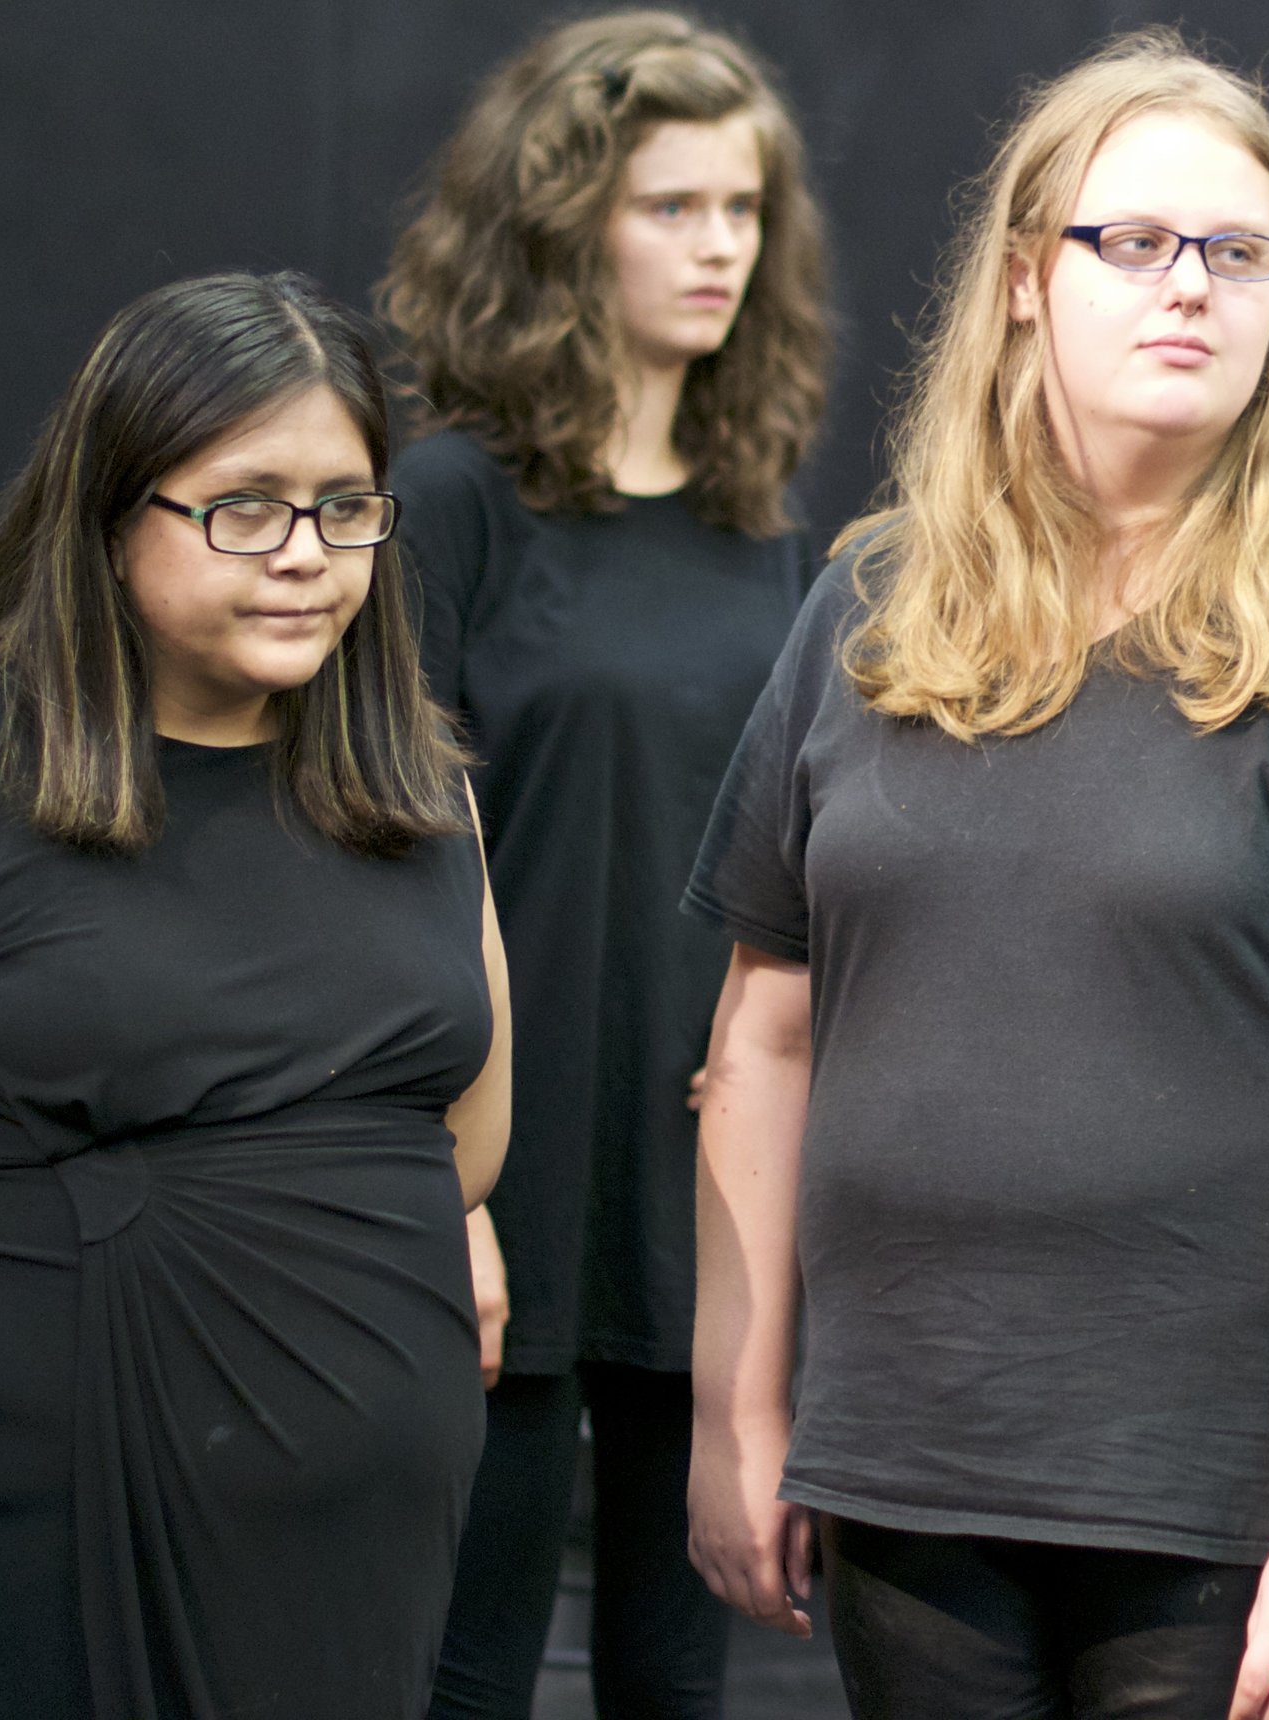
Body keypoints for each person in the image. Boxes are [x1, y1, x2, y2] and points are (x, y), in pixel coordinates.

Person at [682, 30, 1269, 1720]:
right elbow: (762, 1047)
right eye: (1134, 242)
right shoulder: (868, 611)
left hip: (1224, 1502)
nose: (1190, 289)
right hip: (911, 1471)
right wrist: (740, 1404)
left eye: (1237, 253)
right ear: (1022, 279)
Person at [379, 11, 832, 1715]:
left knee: (678, 1663)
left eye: (743, 210)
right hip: (498, 1174)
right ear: (567, 228)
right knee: (461, 1660)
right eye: (673, 207)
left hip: (702, 1175)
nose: (721, 247)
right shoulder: (447, 504)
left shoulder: (758, 526)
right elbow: (387, 856)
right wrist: (446, 1184)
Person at [0, 271, 510, 1719]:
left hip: (366, 1543)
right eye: (244, 506)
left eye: (346, 507)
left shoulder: (421, 793)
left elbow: (469, 1142)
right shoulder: (0, 778)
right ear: (112, 512)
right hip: (57, 1501)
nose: (304, 555)